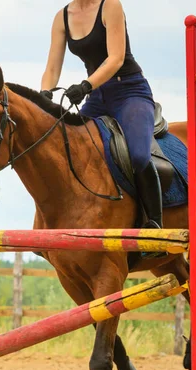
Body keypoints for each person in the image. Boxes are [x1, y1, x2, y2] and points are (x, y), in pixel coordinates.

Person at [40, 0, 162, 231]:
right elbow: (53, 68)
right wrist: (44, 94)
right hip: (97, 97)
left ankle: (155, 222)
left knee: (137, 154)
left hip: (129, 90)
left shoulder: (110, 5)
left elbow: (116, 58)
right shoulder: (62, 18)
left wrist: (86, 86)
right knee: (70, 151)